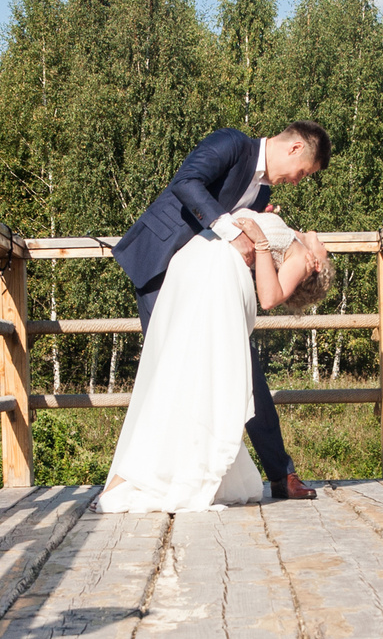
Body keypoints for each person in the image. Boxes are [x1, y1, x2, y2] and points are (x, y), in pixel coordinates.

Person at [111, 122, 333, 500]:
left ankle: (281, 473)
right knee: (169, 373)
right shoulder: (233, 143)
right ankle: (160, 477)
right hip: (161, 266)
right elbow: (186, 182)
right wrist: (232, 228)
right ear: (295, 148)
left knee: (246, 371)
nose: (297, 181)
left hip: (207, 287)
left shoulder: (262, 190)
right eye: (303, 173)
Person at [96, 208, 330, 514]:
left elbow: (270, 297)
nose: (326, 243)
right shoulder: (293, 236)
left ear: (317, 264)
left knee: (188, 374)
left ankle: (132, 477)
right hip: (200, 262)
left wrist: (260, 242)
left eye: (328, 252)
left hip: (214, 273)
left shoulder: (301, 256)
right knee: (188, 374)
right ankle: (140, 473)